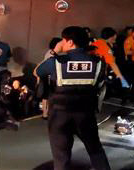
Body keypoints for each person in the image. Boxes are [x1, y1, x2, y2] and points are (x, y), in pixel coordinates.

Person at [34, 26, 111, 170]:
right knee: (95, 150)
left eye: (63, 41)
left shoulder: (57, 62)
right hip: (86, 114)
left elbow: (37, 71)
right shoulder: (98, 62)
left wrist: (54, 51)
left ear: (70, 42)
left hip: (60, 116)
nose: (61, 43)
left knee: (61, 156)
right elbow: (100, 83)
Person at [39, 37, 62, 119]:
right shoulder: (52, 53)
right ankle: (46, 113)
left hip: (46, 76)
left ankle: (45, 113)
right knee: (47, 95)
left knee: (46, 95)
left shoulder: (49, 52)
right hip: (49, 76)